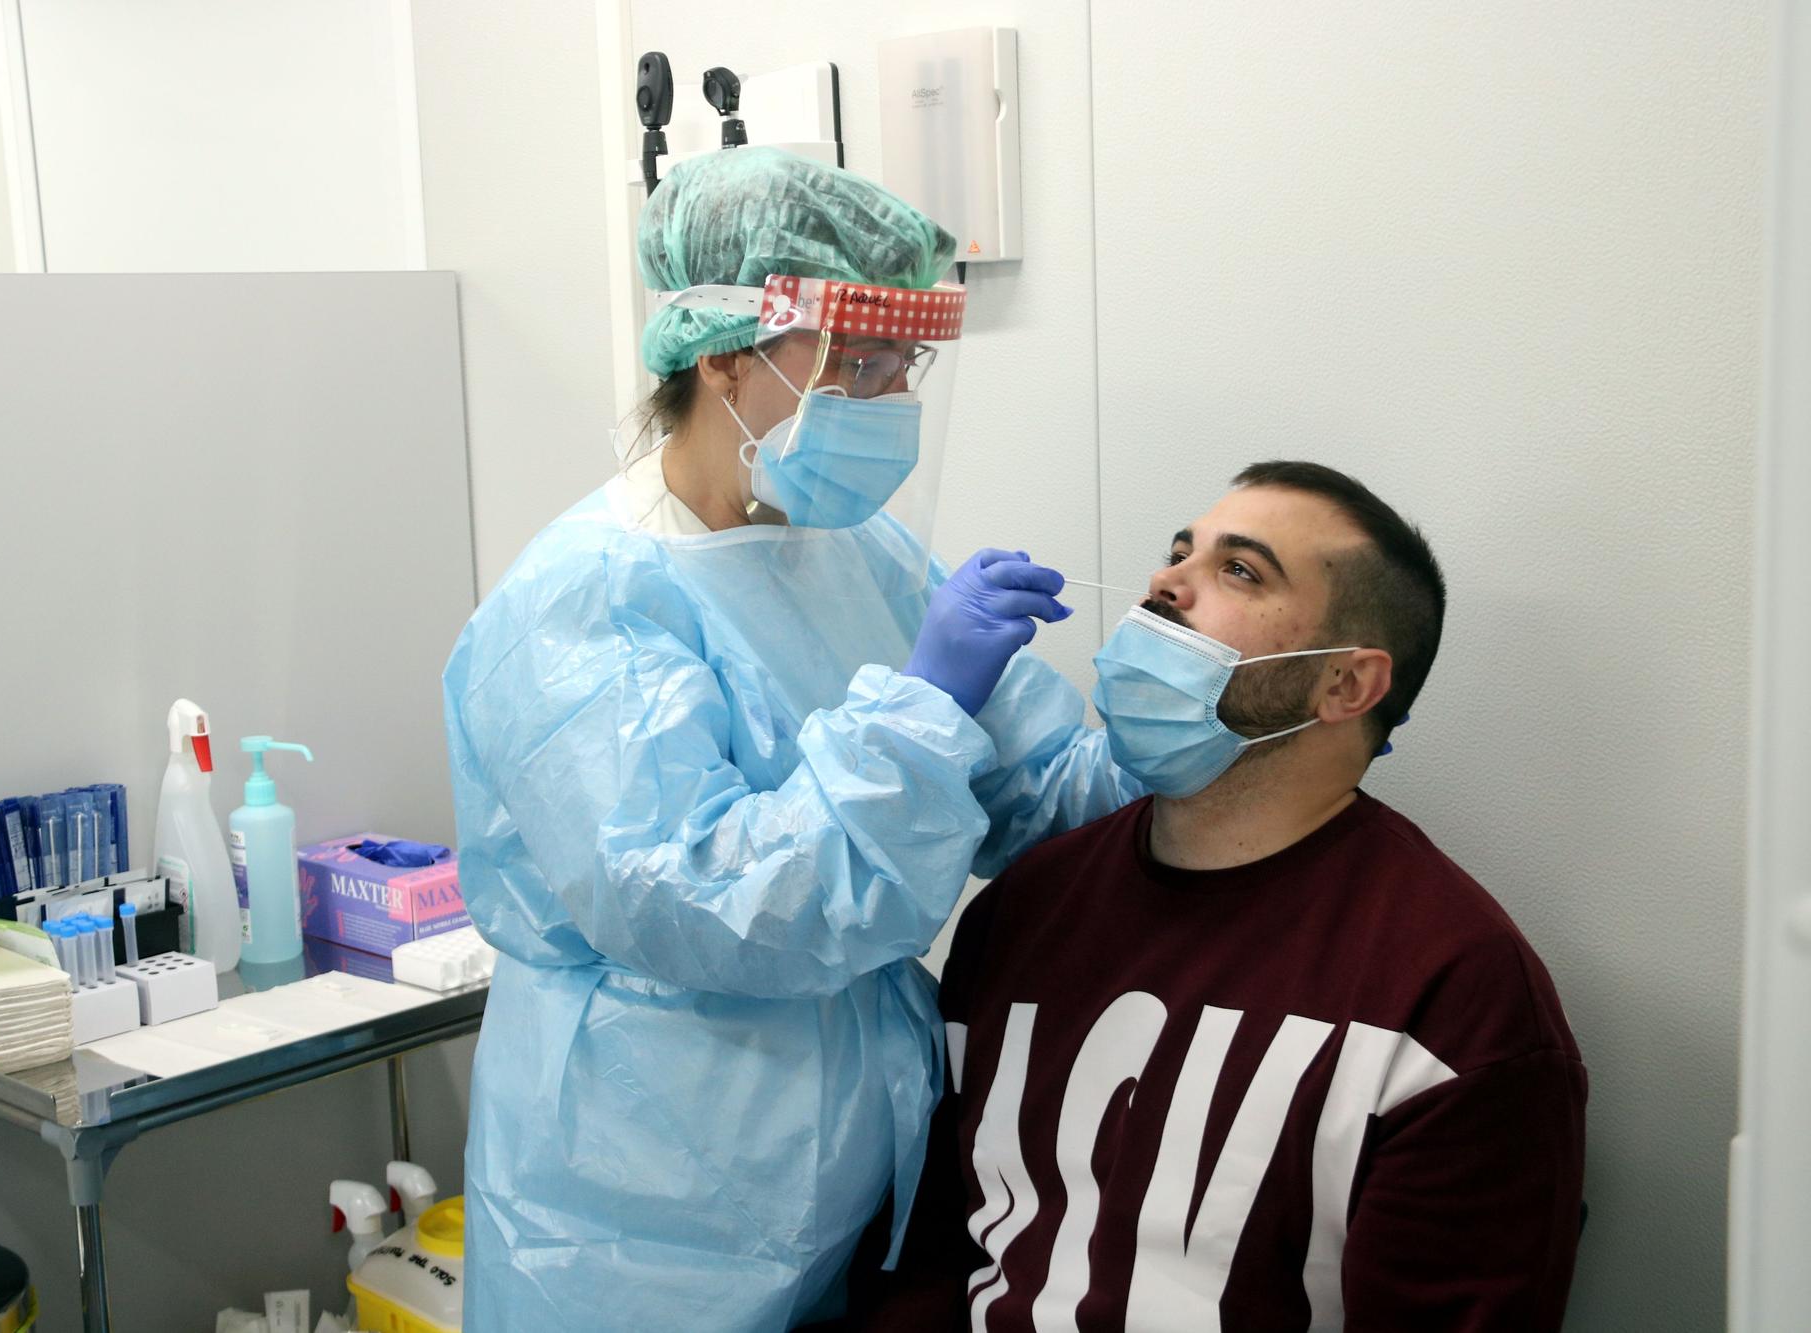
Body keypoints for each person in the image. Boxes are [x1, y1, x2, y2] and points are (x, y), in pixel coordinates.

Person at [442, 147, 1136, 1331]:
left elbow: (1031, 796)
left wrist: (1180, 722)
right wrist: (919, 709)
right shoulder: (580, 603)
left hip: (853, 1157)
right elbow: (704, 899)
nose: (885, 396)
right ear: (719, 353)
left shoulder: (853, 549)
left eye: (901, 363)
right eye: (855, 361)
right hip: (644, 1197)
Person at [853, 462, 1589, 1331]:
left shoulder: (1452, 991)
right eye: (1177, 553)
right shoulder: (1027, 908)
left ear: (1345, 684)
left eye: (1239, 570)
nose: (1166, 583)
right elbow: (932, 1259)